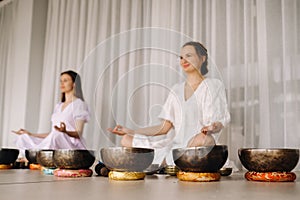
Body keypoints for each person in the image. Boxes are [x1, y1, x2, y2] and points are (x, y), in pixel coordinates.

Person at [108, 41, 230, 164]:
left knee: (204, 139)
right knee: (126, 140)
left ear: (202, 58)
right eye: (181, 57)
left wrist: (213, 127)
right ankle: (170, 162)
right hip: (175, 146)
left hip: (197, 143)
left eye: (189, 55)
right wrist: (131, 131)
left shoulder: (213, 85)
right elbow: (164, 128)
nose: (183, 60)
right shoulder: (176, 89)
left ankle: (167, 162)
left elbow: (219, 121)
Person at [12, 70, 90, 159]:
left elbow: (78, 133)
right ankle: (33, 157)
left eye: (65, 80)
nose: (62, 83)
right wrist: (31, 134)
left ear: (74, 84)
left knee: (57, 135)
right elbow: (52, 134)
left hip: (70, 145)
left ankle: (37, 157)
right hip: (55, 139)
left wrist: (65, 132)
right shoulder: (58, 106)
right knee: (23, 137)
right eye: (61, 81)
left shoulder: (79, 104)